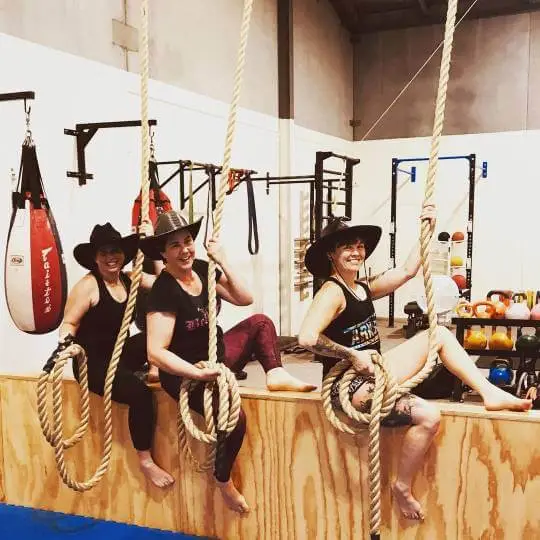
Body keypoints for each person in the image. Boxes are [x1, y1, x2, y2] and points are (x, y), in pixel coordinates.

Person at [297, 207, 532, 521]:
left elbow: (407, 270)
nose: (356, 252)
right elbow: (306, 338)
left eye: (359, 246)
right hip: (350, 385)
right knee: (429, 416)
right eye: (347, 247)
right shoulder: (331, 292)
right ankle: (402, 488)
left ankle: (489, 392)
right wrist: (352, 354)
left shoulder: (361, 288)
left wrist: (427, 229)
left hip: (374, 372)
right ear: (331, 254)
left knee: (439, 336)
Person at [142, 210, 316, 513]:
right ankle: (222, 481)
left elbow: (245, 297)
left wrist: (222, 260)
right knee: (235, 420)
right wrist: (197, 375)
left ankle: (275, 373)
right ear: (163, 253)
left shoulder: (202, 269)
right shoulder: (164, 290)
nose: (184, 250)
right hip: (185, 372)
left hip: (217, 359)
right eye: (174, 246)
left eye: (187, 241)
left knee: (260, 322)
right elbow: (156, 352)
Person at [59, 222, 174, 488]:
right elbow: (69, 323)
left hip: (118, 354)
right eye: (104, 253)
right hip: (93, 365)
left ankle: (155, 369)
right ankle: (145, 461)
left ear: (124, 253)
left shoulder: (128, 278)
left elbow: (164, 284)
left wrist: (153, 246)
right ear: (95, 258)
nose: (111, 257)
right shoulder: (88, 286)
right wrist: (65, 345)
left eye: (116, 251)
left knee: (154, 337)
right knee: (140, 394)